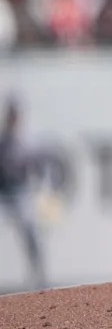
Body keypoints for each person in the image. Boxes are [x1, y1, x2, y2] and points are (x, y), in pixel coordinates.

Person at [0, 96, 48, 291]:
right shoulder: (3, 141)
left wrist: (41, 189)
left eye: (15, 114)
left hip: (20, 192)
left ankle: (38, 278)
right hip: (3, 191)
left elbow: (40, 168)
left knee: (30, 230)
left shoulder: (27, 142)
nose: (12, 118)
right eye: (10, 114)